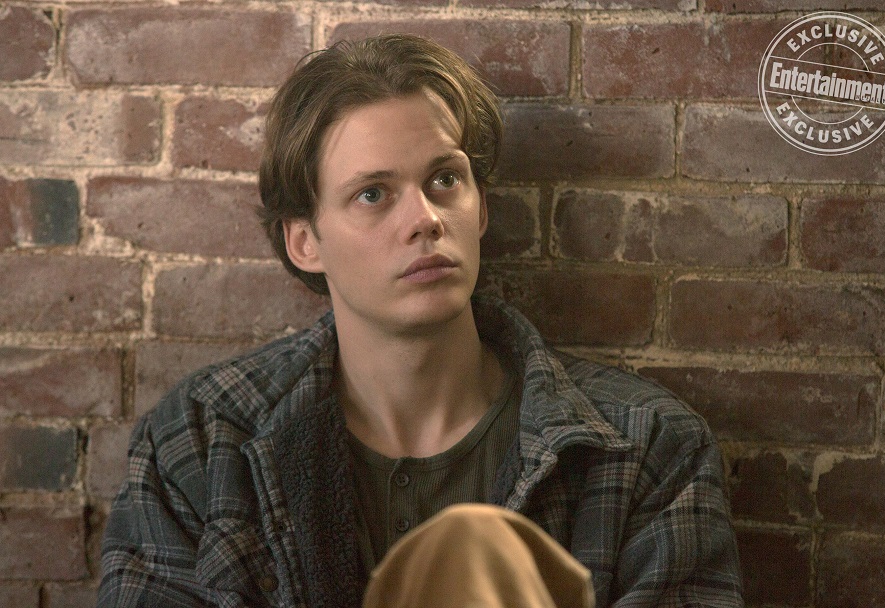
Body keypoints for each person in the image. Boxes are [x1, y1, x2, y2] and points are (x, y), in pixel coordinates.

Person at [97, 34, 743, 607]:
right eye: (372, 194)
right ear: (305, 242)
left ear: (480, 208)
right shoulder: (201, 442)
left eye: (444, 180)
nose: (425, 219)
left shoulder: (646, 447)